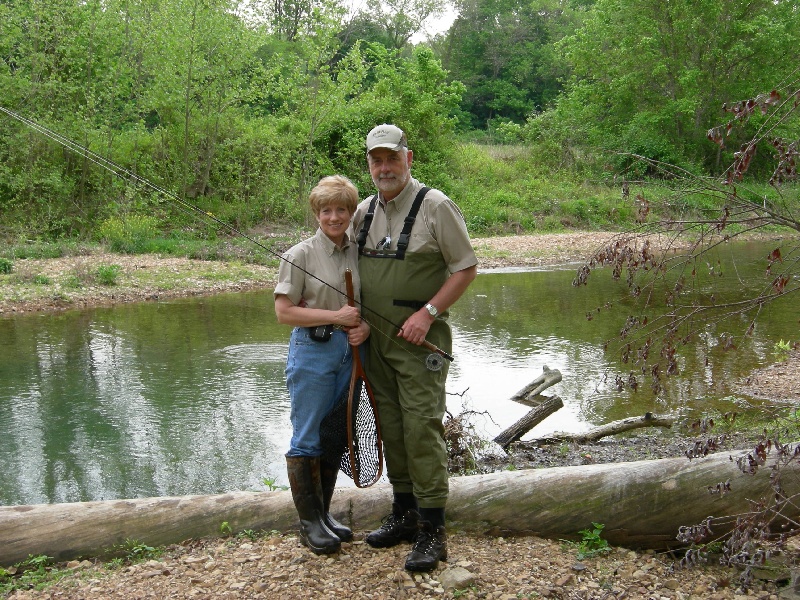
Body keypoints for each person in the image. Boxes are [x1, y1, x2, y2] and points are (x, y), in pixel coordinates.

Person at [353, 124, 478, 572]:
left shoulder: (436, 205)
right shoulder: (362, 210)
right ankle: (403, 514)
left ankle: (433, 529)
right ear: (369, 164)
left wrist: (427, 312)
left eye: (392, 158)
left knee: (422, 427)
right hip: (375, 340)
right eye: (376, 160)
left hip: (420, 339)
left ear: (409, 158)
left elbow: (466, 268)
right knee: (391, 426)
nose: (384, 167)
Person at [274, 175, 370, 555]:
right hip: (312, 352)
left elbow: (360, 307)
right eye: (326, 210)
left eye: (342, 209)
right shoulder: (299, 255)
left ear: (351, 213)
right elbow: (284, 313)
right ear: (316, 213)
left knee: (333, 432)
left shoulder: (354, 251)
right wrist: (336, 316)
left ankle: (325, 515)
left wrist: (361, 325)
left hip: (347, 351)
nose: (334, 217)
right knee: (307, 436)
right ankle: (308, 523)